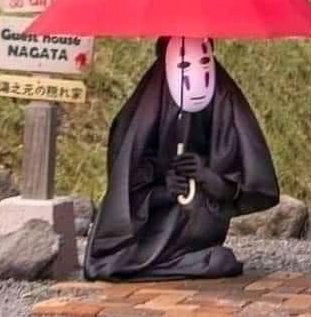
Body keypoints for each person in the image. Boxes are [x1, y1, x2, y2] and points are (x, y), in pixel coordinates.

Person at [84, 36, 279, 279]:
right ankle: (174, 261)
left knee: (218, 259)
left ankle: (186, 259)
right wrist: (162, 190)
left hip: (200, 217)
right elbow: (127, 183)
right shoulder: (148, 106)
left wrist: (208, 176)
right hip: (153, 221)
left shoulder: (222, 99)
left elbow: (241, 184)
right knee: (116, 262)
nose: (195, 72)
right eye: (184, 65)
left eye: (205, 61)